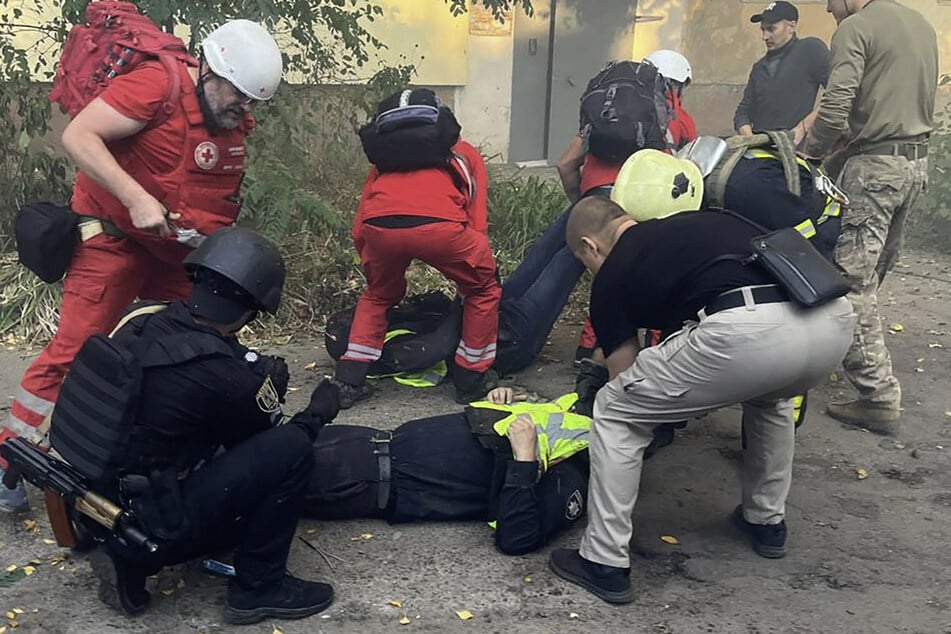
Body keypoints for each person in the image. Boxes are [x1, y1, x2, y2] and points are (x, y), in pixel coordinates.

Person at [1, 20, 283, 513]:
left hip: (175, 251)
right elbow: (80, 136)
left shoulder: (229, 118)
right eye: (239, 96)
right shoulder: (156, 85)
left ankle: (173, 445)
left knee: (197, 344)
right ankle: (11, 459)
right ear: (211, 72)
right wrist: (136, 199)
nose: (246, 110)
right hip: (112, 241)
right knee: (77, 347)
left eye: (253, 102)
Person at [547, 197, 854, 604]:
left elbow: (628, 382)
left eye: (583, 261)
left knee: (616, 410)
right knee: (771, 399)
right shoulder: (701, 224)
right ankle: (765, 521)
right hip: (831, 318)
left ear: (590, 246)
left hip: (746, 330)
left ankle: (603, 560)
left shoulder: (612, 274)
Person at [49, 227, 338, 624]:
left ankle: (121, 549)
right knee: (291, 451)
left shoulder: (144, 316)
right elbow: (267, 435)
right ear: (250, 310)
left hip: (102, 494)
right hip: (155, 521)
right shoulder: (219, 376)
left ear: (198, 278)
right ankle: (260, 588)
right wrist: (318, 412)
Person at [800, 0, 937, 436]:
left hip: (875, 168)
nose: (827, 6)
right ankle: (853, 358)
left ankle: (877, 396)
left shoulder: (856, 27)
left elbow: (837, 107)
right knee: (873, 274)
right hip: (914, 165)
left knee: (850, 283)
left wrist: (809, 152)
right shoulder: (920, 24)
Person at [334, 88, 501, 408]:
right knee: (483, 289)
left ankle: (349, 380)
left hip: (380, 229)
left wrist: (370, 264)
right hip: (443, 229)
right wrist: (477, 268)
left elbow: (361, 224)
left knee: (378, 295)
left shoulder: (383, 163)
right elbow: (476, 219)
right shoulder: (463, 153)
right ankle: (471, 377)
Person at [300, 383, 604, 555]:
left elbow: (518, 538)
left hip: (367, 478)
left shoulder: (574, 474)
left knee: (266, 481)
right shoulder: (569, 417)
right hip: (368, 439)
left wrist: (524, 459)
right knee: (267, 447)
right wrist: (499, 405)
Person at [734, 1, 831, 136]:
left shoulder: (810, 50)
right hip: (761, 147)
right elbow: (743, 112)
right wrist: (749, 139)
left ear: (791, 26)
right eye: (763, 30)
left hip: (795, 146)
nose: (765, 37)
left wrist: (803, 127)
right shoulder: (759, 67)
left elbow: (837, 94)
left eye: (771, 29)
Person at [644, 49, 697, 150]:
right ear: (675, 85)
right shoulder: (681, 117)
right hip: (656, 164)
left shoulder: (625, 103)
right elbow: (692, 156)